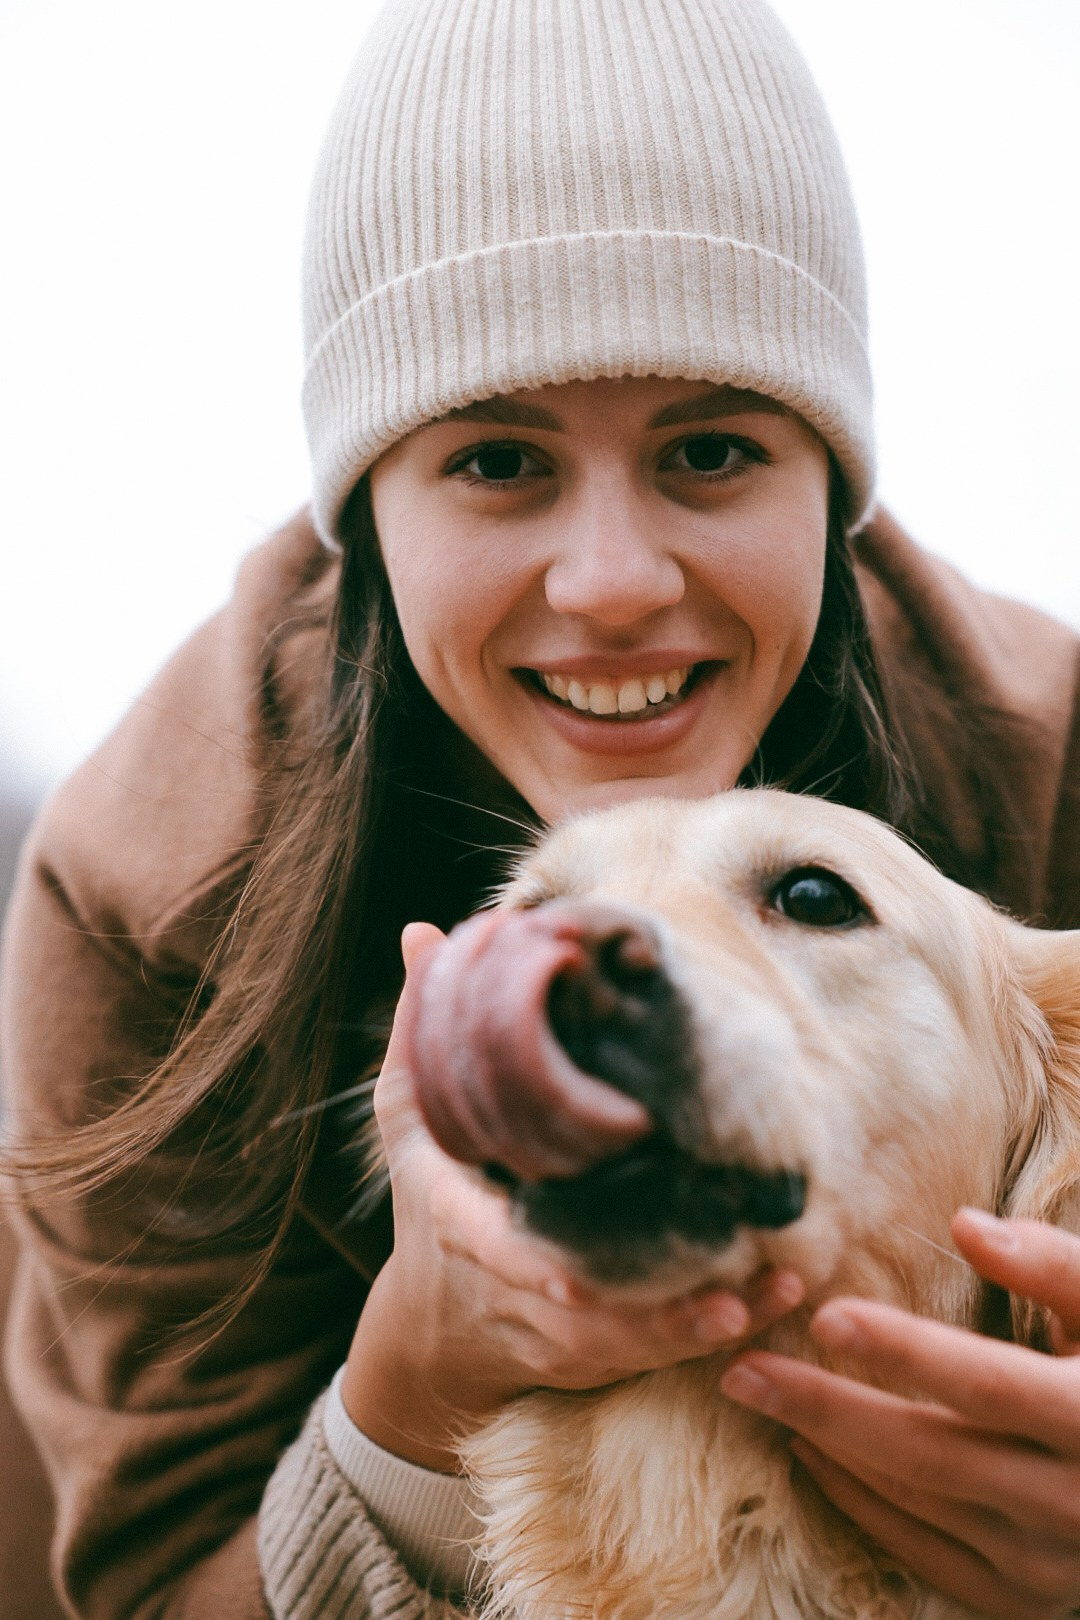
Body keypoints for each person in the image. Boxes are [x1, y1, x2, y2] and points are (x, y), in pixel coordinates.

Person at [1, 1, 1079, 1617]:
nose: (614, 584)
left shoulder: (1050, 758)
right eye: (496, 463)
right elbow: (151, 1588)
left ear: (830, 485)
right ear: (369, 511)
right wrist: (412, 1390)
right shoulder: (148, 890)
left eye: (711, 448)